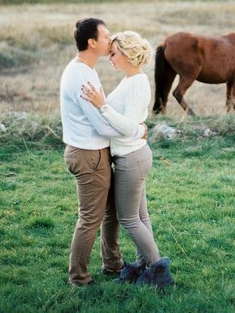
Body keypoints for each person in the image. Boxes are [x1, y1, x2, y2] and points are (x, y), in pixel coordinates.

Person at [81, 30, 174, 288]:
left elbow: (127, 126)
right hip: (133, 155)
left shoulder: (136, 83)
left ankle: (158, 271)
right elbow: (130, 124)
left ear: (126, 54)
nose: (109, 58)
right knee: (141, 218)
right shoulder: (130, 79)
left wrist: (102, 105)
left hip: (131, 158)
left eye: (113, 53)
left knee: (129, 219)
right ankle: (142, 267)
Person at [60, 18, 147, 287]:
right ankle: (79, 278)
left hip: (95, 153)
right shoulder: (81, 77)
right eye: (107, 36)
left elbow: (102, 116)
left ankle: (113, 264)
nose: (111, 40)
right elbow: (100, 124)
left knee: (111, 213)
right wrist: (137, 131)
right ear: (92, 42)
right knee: (89, 218)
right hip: (89, 155)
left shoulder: (85, 70)